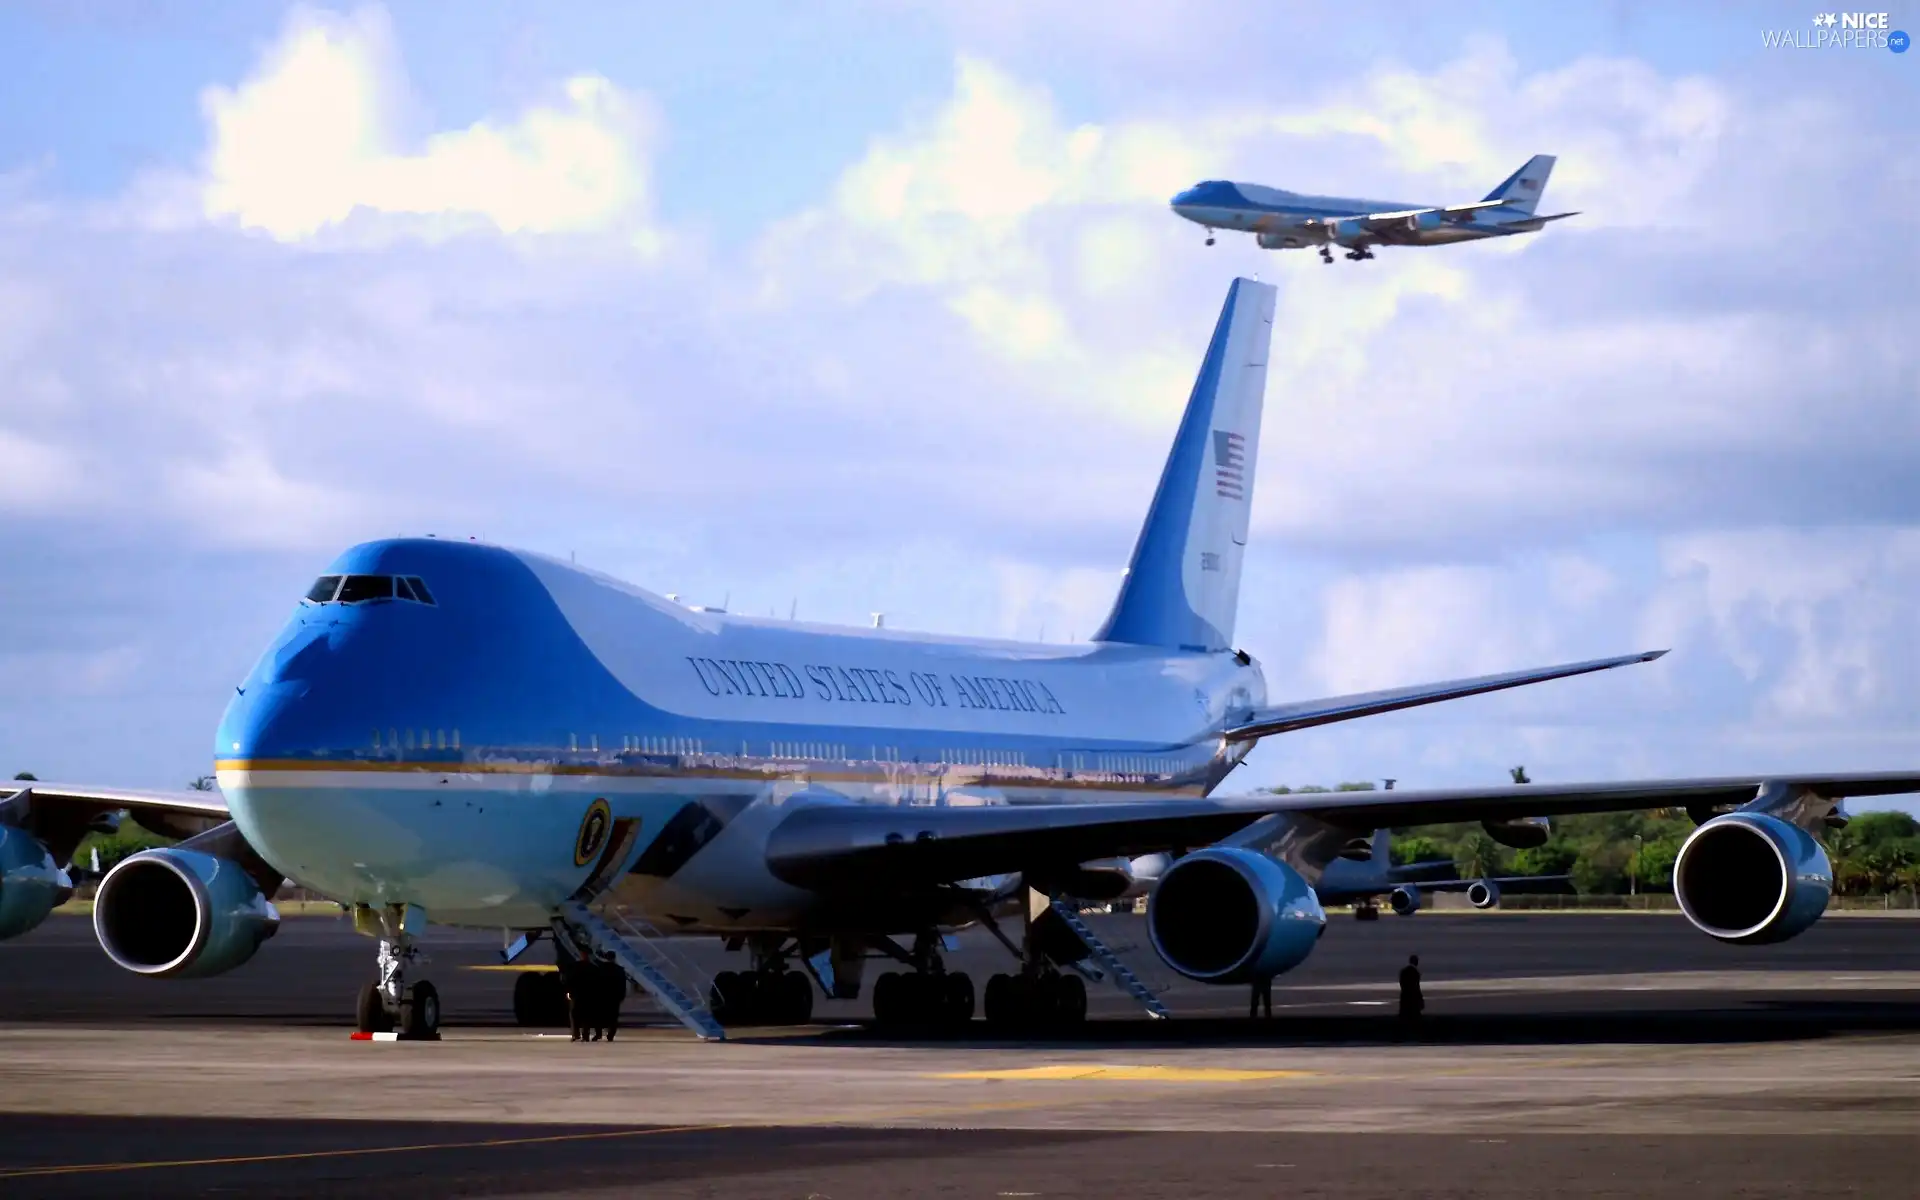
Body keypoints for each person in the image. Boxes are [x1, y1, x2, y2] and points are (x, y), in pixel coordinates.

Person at [1398, 954, 1424, 1021]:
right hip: (1412, 997)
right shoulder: (1415, 973)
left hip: (1405, 996)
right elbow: (1416, 986)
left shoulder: (1403, 971)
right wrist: (1420, 998)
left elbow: (1402, 983)